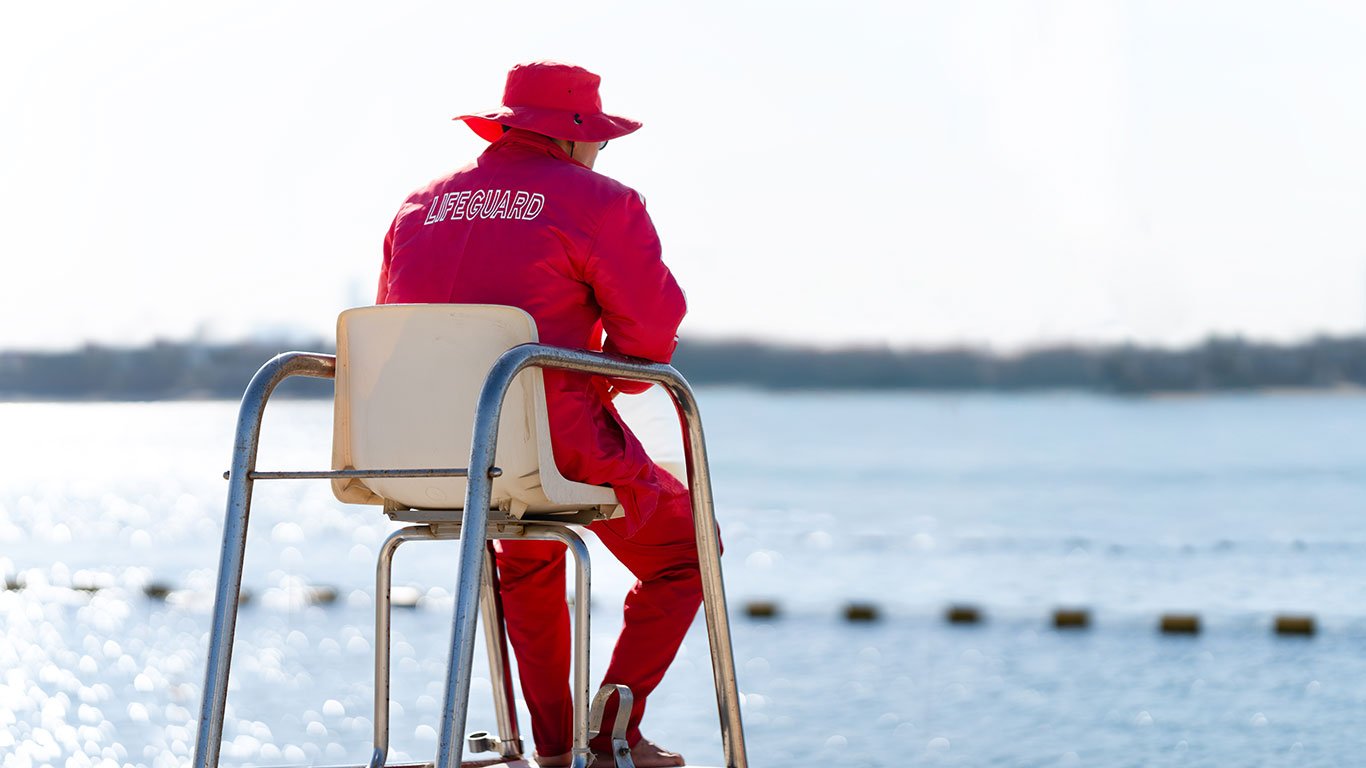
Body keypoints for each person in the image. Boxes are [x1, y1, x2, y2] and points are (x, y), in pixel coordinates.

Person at [375, 60, 702, 768]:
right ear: (576, 139)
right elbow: (649, 341)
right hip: (547, 438)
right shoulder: (603, 204)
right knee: (686, 554)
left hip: (428, 450)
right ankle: (613, 733)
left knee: (526, 554)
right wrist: (608, 384)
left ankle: (555, 752)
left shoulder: (418, 205)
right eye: (602, 143)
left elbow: (397, 329)